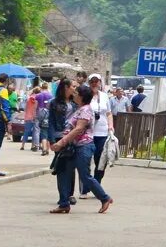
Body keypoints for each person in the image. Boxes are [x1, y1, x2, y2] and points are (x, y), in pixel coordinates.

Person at [50, 84, 113, 214]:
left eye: (77, 93)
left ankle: (104, 198)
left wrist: (61, 142)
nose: (74, 94)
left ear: (82, 96)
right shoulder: (79, 109)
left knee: (85, 176)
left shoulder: (85, 110)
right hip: (72, 146)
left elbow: (79, 129)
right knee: (63, 172)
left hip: (83, 146)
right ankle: (64, 203)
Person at [81, 74, 114, 198]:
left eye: (97, 81)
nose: (95, 84)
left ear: (100, 82)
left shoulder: (105, 96)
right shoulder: (85, 95)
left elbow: (109, 113)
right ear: (89, 83)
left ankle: (96, 185)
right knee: (85, 161)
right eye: (92, 81)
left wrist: (110, 126)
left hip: (102, 132)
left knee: (101, 162)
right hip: (87, 133)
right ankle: (84, 189)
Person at [34, 86, 53, 156]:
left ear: (42, 88)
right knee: (48, 135)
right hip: (49, 118)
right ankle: (47, 150)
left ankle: (43, 148)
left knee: (42, 134)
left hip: (41, 116)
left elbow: (35, 105)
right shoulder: (51, 96)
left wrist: (34, 114)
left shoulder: (38, 95)